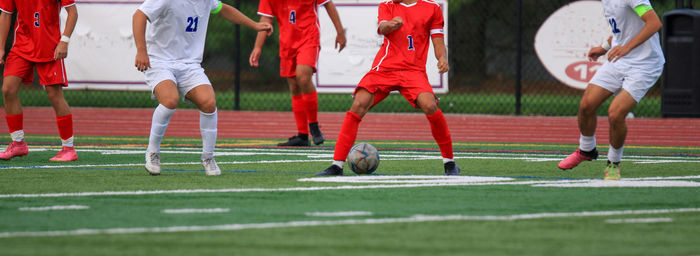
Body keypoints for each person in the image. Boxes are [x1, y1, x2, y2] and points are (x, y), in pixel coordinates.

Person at [317, 0, 459, 176]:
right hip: (385, 68)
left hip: (413, 71)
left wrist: (442, 59)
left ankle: (449, 163)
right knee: (359, 104)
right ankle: (336, 165)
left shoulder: (432, 8)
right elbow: (383, 27)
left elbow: (438, 42)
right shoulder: (387, 6)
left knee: (430, 105)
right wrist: (389, 26)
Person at [133, 0, 272, 176]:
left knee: (209, 102)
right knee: (170, 100)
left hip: (190, 65)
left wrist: (255, 25)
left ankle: (208, 157)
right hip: (160, 62)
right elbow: (139, 15)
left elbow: (224, 9)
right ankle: (152, 152)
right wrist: (141, 51)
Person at [558, 0, 664, 180]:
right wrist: (604, 48)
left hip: (645, 65)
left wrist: (626, 48)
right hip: (620, 60)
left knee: (615, 114)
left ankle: (613, 163)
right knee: (587, 105)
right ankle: (586, 150)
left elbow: (654, 23)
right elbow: (622, 32)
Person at [249, 0, 346, 147]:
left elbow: (328, 4)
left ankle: (314, 126)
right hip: (287, 43)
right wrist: (258, 47)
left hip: (308, 38)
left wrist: (340, 32)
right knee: (294, 86)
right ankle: (302, 135)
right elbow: (265, 20)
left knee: (303, 76)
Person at [0, 0, 78, 162]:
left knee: (54, 94)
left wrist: (64, 41)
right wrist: (0, 47)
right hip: (22, 45)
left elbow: (73, 12)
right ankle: (18, 143)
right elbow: (6, 15)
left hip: (50, 47)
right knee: (8, 89)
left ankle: (68, 148)